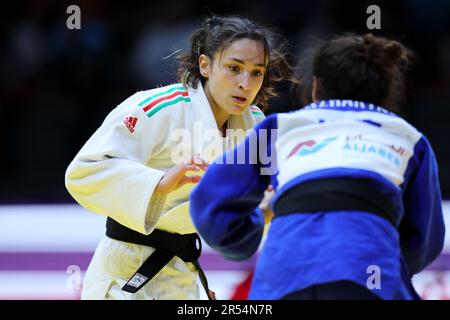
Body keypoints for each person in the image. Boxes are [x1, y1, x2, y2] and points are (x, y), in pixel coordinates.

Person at [189, 33, 446, 300]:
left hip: (284, 277)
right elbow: (424, 242)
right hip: (369, 277)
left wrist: (247, 234)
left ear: (315, 87)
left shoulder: (280, 127)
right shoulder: (408, 138)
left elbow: (211, 207)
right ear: (386, 93)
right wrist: (385, 254)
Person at [65, 15, 294, 300]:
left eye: (256, 72)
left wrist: (269, 202)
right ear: (205, 65)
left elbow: (254, 207)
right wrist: (160, 181)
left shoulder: (256, 126)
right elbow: (84, 171)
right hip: (126, 267)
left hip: (182, 271)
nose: (245, 84)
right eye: (234, 68)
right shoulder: (159, 108)